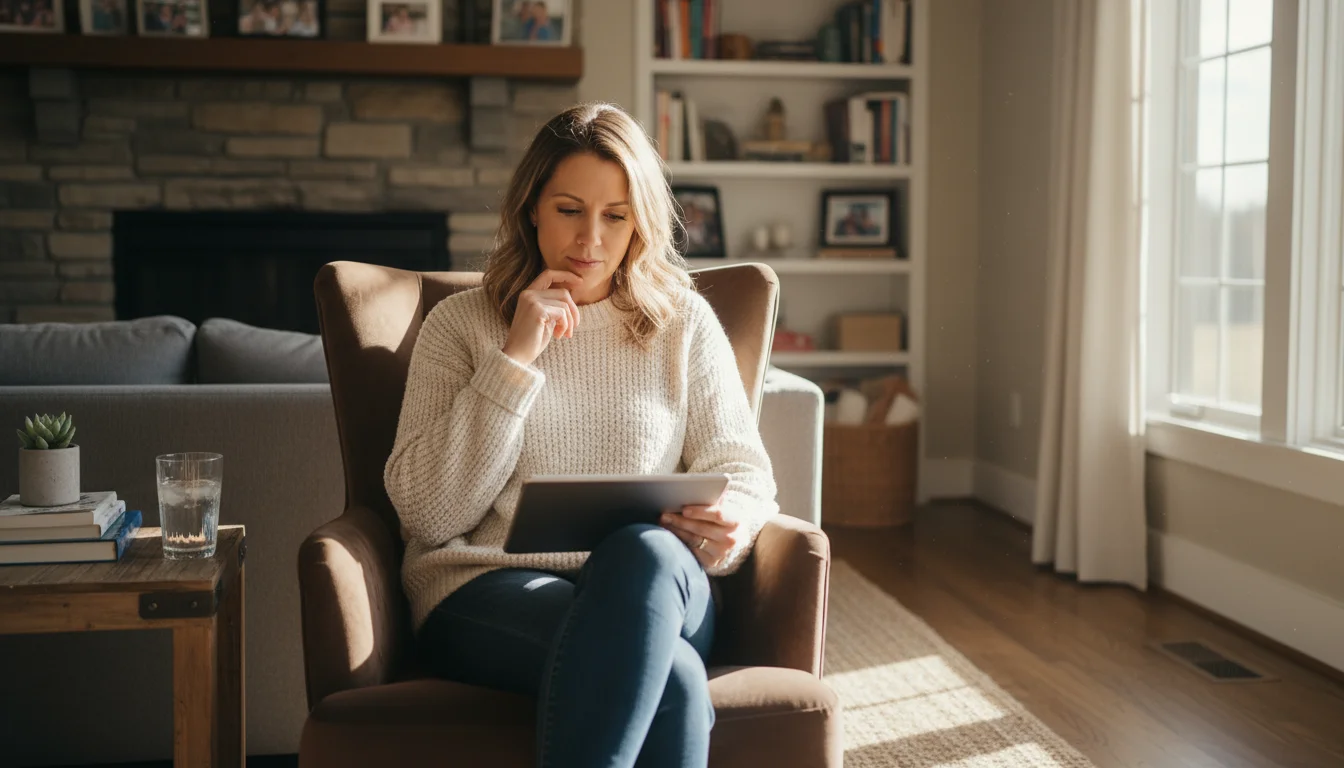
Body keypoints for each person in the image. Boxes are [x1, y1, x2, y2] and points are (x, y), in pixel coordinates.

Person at [384, 103, 779, 768]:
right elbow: (427, 510)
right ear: (531, 208)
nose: (590, 239)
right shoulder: (461, 326)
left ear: (639, 226)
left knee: (643, 553)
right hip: (489, 591)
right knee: (674, 679)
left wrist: (732, 519)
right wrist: (514, 359)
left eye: (615, 216)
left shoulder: (681, 323)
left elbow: (742, 470)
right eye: (569, 209)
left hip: (659, 584)